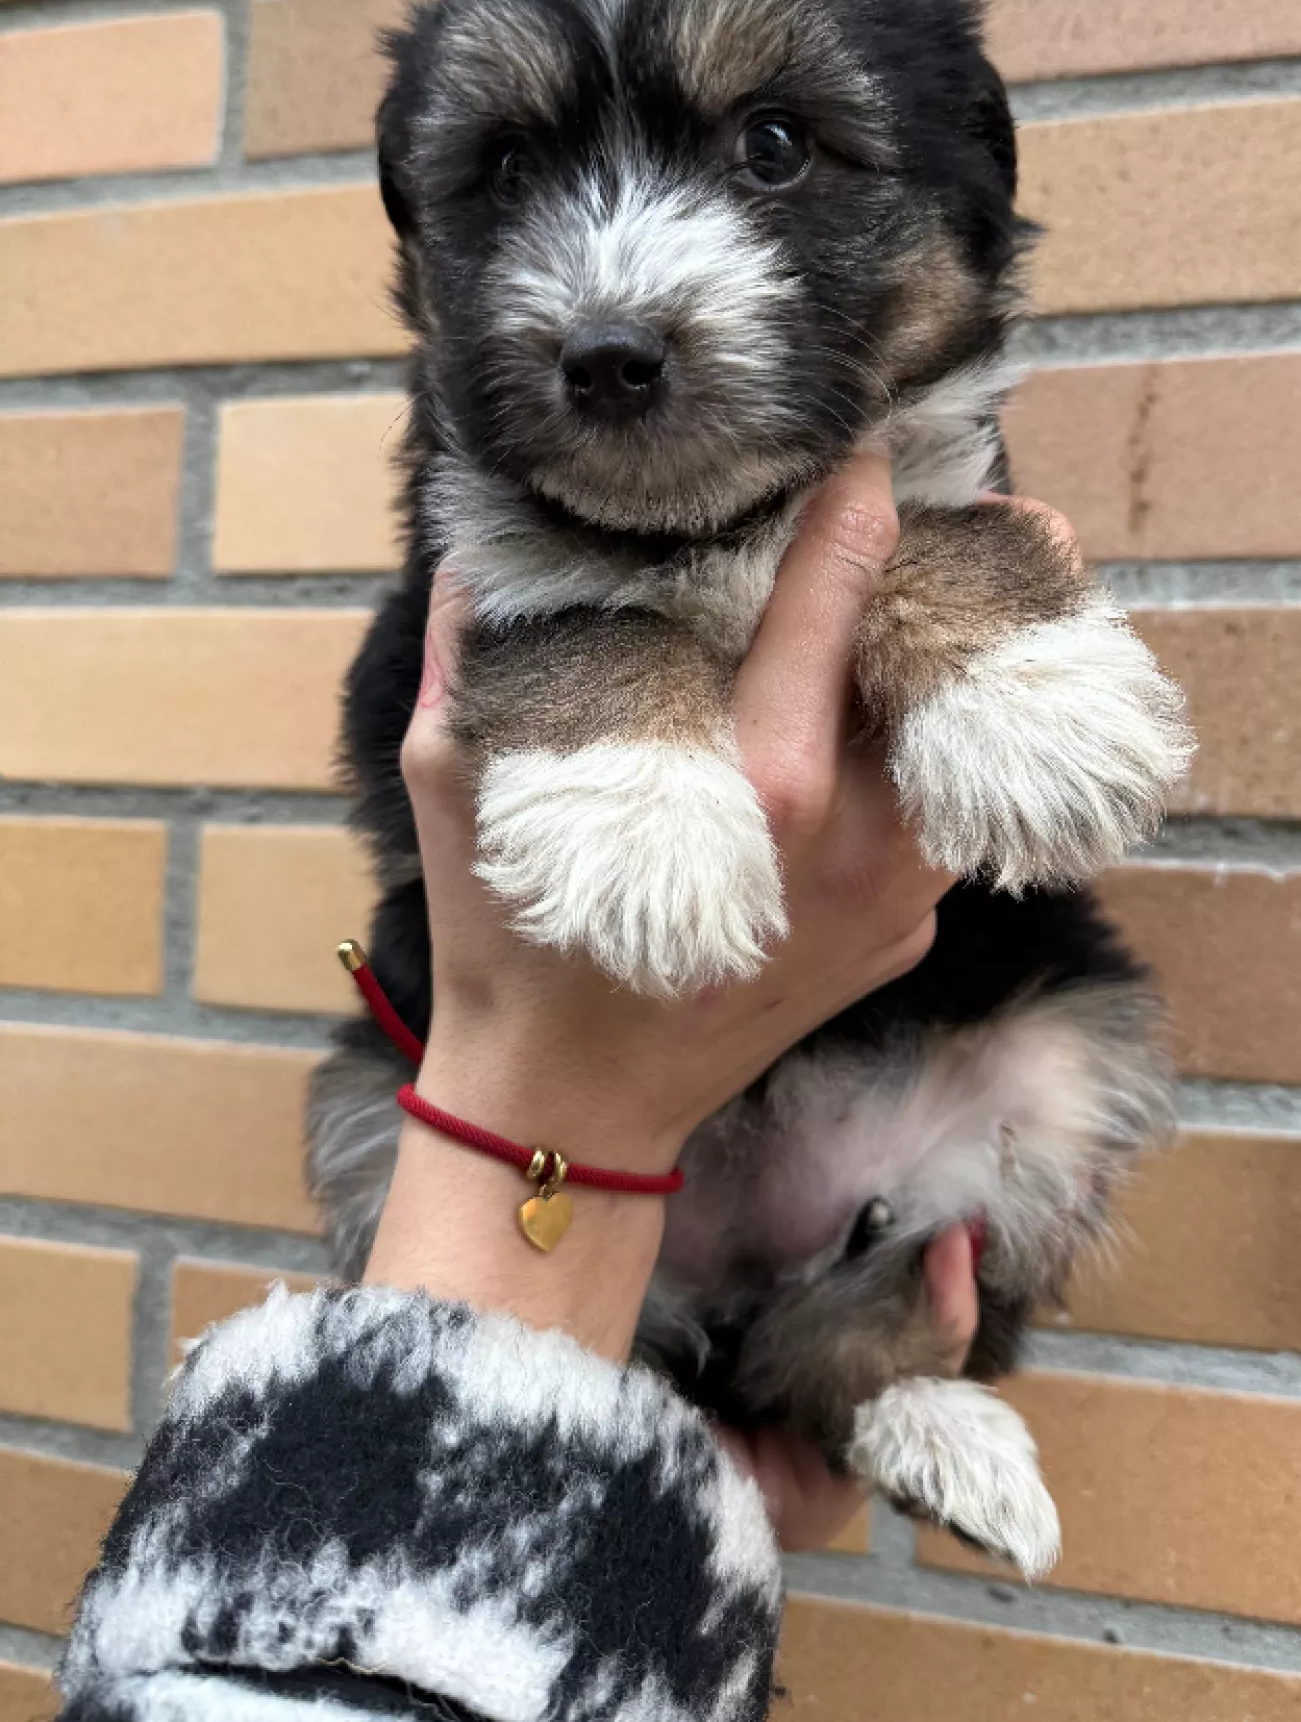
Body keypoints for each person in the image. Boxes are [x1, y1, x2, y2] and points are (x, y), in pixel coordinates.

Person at [57, 455, 1072, 1722]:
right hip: (599, 1222)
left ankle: (869, 1371)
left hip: (859, 1137)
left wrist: (663, 1495)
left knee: (1061, 1054)